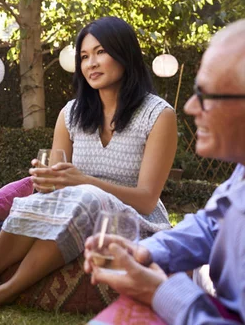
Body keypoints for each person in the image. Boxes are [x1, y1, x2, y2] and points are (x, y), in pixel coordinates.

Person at [0, 16, 177, 310]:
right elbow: (55, 185)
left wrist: (83, 182)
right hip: (76, 210)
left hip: (136, 222)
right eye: (84, 56)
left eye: (101, 52)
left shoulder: (158, 115)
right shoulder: (71, 114)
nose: (91, 63)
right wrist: (46, 181)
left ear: (124, 53)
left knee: (86, 196)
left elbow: (146, 200)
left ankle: (4, 292)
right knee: (32, 201)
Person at [84, 19, 245, 324]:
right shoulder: (241, 175)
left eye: (208, 95)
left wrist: (160, 291)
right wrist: (142, 252)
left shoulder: (156, 114)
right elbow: (210, 226)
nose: (191, 107)